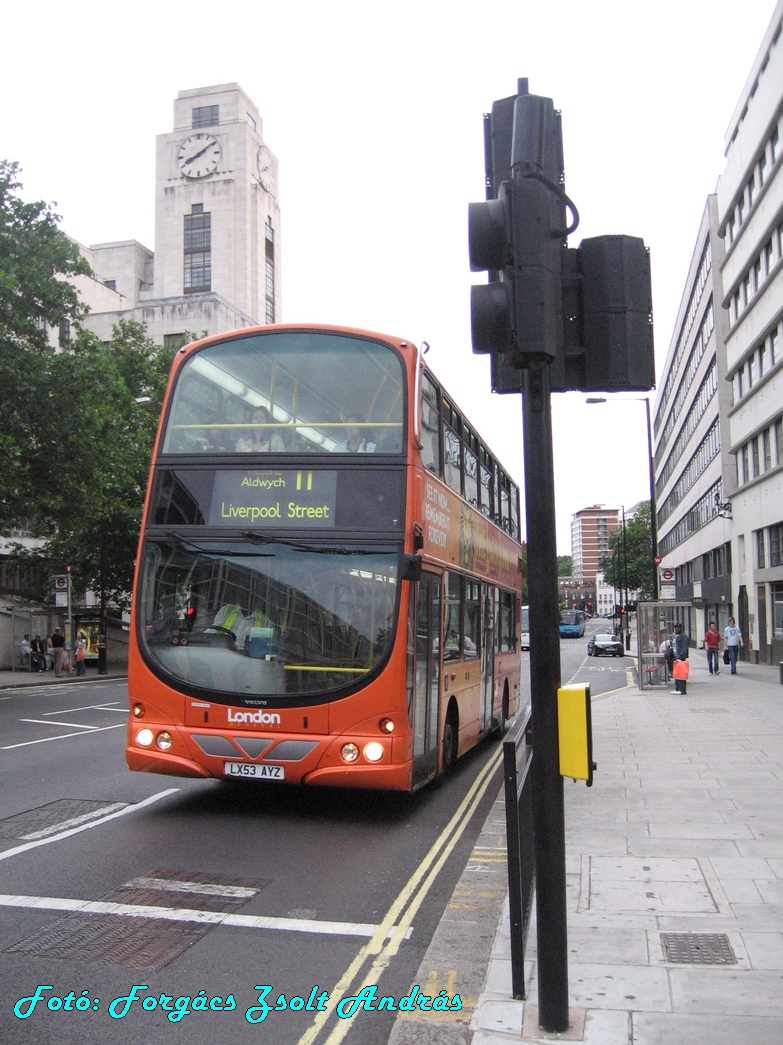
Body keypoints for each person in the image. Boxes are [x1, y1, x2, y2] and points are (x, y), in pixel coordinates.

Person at [671, 622, 689, 695]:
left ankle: (682, 689)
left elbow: (685, 647)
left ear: (681, 628)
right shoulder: (675, 635)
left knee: (681, 674)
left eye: (678, 627)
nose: (676, 629)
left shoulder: (684, 636)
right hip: (675, 657)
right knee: (677, 673)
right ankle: (677, 688)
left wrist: (681, 656)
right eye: (675, 627)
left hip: (680, 658)